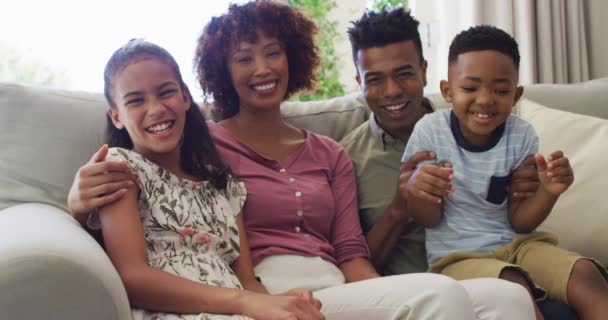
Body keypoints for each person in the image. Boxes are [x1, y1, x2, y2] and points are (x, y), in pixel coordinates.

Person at [68, 2, 528, 319]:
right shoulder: (203, 145)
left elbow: (351, 252)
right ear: (221, 72)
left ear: (294, 59)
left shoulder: (331, 153)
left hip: (336, 284)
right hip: (268, 286)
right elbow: (153, 183)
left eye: (274, 53)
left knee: (504, 298)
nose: (263, 68)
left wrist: (379, 295)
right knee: (439, 294)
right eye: (244, 58)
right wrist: (78, 201)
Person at [340, 7, 579, 320]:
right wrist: (401, 206)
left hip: (507, 272)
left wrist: (532, 188)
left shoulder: (487, 126)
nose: (393, 91)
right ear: (358, 81)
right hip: (424, 299)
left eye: (405, 74)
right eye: (375, 80)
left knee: (564, 308)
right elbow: (351, 261)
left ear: (424, 71)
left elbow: (520, 219)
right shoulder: (346, 158)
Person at [92, 39, 325, 320]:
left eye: (166, 92)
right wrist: (244, 302)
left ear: (185, 97)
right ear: (116, 116)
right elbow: (133, 278)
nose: (155, 109)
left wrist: (279, 305)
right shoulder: (121, 168)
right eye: (136, 100)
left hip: (235, 310)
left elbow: (247, 281)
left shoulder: (224, 185)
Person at [402, 25, 608, 320]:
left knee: (584, 272)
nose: (485, 100)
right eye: (470, 88)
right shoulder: (430, 131)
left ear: (516, 95)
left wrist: (548, 192)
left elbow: (520, 220)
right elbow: (427, 219)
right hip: (457, 258)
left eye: (500, 90)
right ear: (447, 91)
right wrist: (419, 189)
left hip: (519, 245)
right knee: (513, 292)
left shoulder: (521, 135)